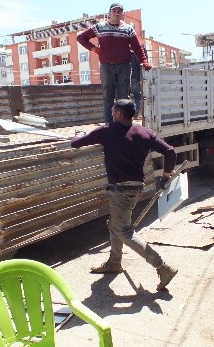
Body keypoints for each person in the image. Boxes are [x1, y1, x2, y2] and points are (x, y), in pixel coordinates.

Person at [71, 99, 178, 291]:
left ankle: (162, 267)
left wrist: (80, 134)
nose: (111, 112)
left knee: (124, 231)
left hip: (120, 190)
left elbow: (75, 143)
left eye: (113, 110)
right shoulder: (145, 132)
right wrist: (166, 176)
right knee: (115, 225)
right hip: (137, 188)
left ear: (119, 114)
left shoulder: (107, 131)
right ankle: (114, 262)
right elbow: (170, 152)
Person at [77, 3, 151, 124]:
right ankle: (109, 124)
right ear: (109, 13)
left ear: (123, 14)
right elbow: (81, 37)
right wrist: (95, 49)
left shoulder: (128, 29)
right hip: (106, 66)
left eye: (119, 11)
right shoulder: (99, 27)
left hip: (124, 66)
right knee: (108, 96)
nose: (117, 13)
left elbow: (137, 47)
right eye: (114, 11)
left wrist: (144, 61)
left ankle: (124, 124)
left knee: (123, 98)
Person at [130, 44, 148, 119]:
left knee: (133, 96)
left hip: (132, 78)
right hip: (139, 78)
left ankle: (134, 113)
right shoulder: (140, 58)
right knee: (138, 97)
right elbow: (143, 67)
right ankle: (137, 112)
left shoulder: (130, 55)